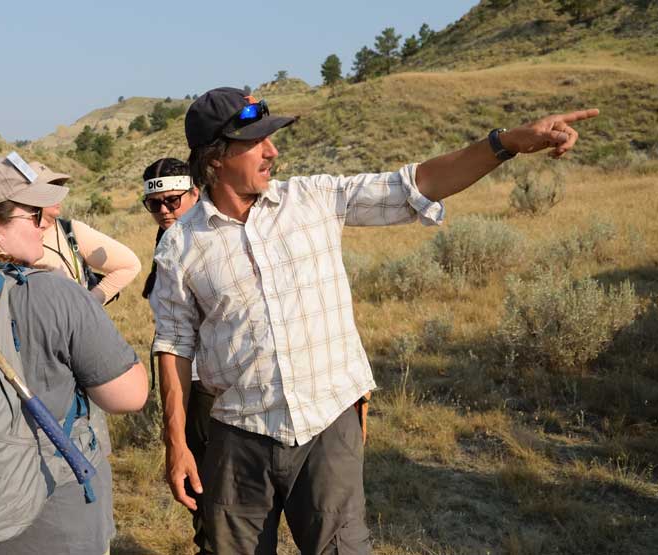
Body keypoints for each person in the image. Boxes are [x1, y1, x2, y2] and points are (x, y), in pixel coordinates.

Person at [150, 86, 598, 554]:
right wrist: (177, 443)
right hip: (238, 432)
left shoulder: (313, 200)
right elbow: (174, 346)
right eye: (256, 142)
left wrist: (506, 143)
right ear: (215, 159)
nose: (272, 150)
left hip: (328, 423)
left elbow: (415, 186)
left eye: (271, 138)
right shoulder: (181, 245)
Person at [0, 155, 148, 555]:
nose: (45, 224)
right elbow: (129, 396)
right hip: (50, 518)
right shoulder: (50, 291)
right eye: (33, 215)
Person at [138, 157, 212, 555]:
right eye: (155, 205)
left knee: (213, 491)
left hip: (213, 386)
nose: (164, 211)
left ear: (195, 193)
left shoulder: (206, 239)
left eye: (172, 201)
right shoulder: (169, 241)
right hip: (189, 382)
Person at [32, 161, 141, 305]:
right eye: (48, 189)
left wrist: (88, 306)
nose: (57, 195)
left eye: (58, 187)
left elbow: (130, 265)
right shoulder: (6, 240)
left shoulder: (71, 230)